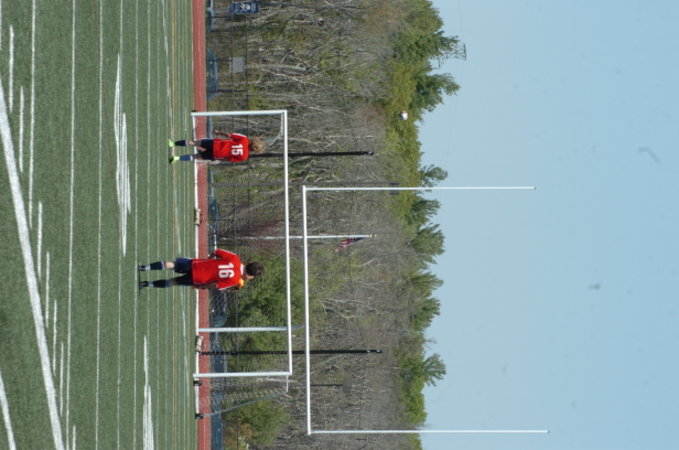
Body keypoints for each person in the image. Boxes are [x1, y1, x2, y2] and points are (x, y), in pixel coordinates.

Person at [138, 248, 263, 290]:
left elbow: (216, 251)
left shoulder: (235, 258)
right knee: (174, 281)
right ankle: (146, 284)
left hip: (198, 264)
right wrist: (203, 287)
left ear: (249, 263)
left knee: (172, 265)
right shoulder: (235, 280)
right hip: (199, 279)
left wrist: (208, 260)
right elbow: (215, 285)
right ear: (250, 276)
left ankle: (144, 267)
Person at [168, 130, 265, 164]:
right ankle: (176, 158)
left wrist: (218, 132)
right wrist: (217, 159)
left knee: (193, 143)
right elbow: (229, 159)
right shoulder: (244, 157)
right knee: (196, 156)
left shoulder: (244, 139)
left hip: (215, 144)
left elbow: (229, 135)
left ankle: (173, 144)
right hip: (217, 154)